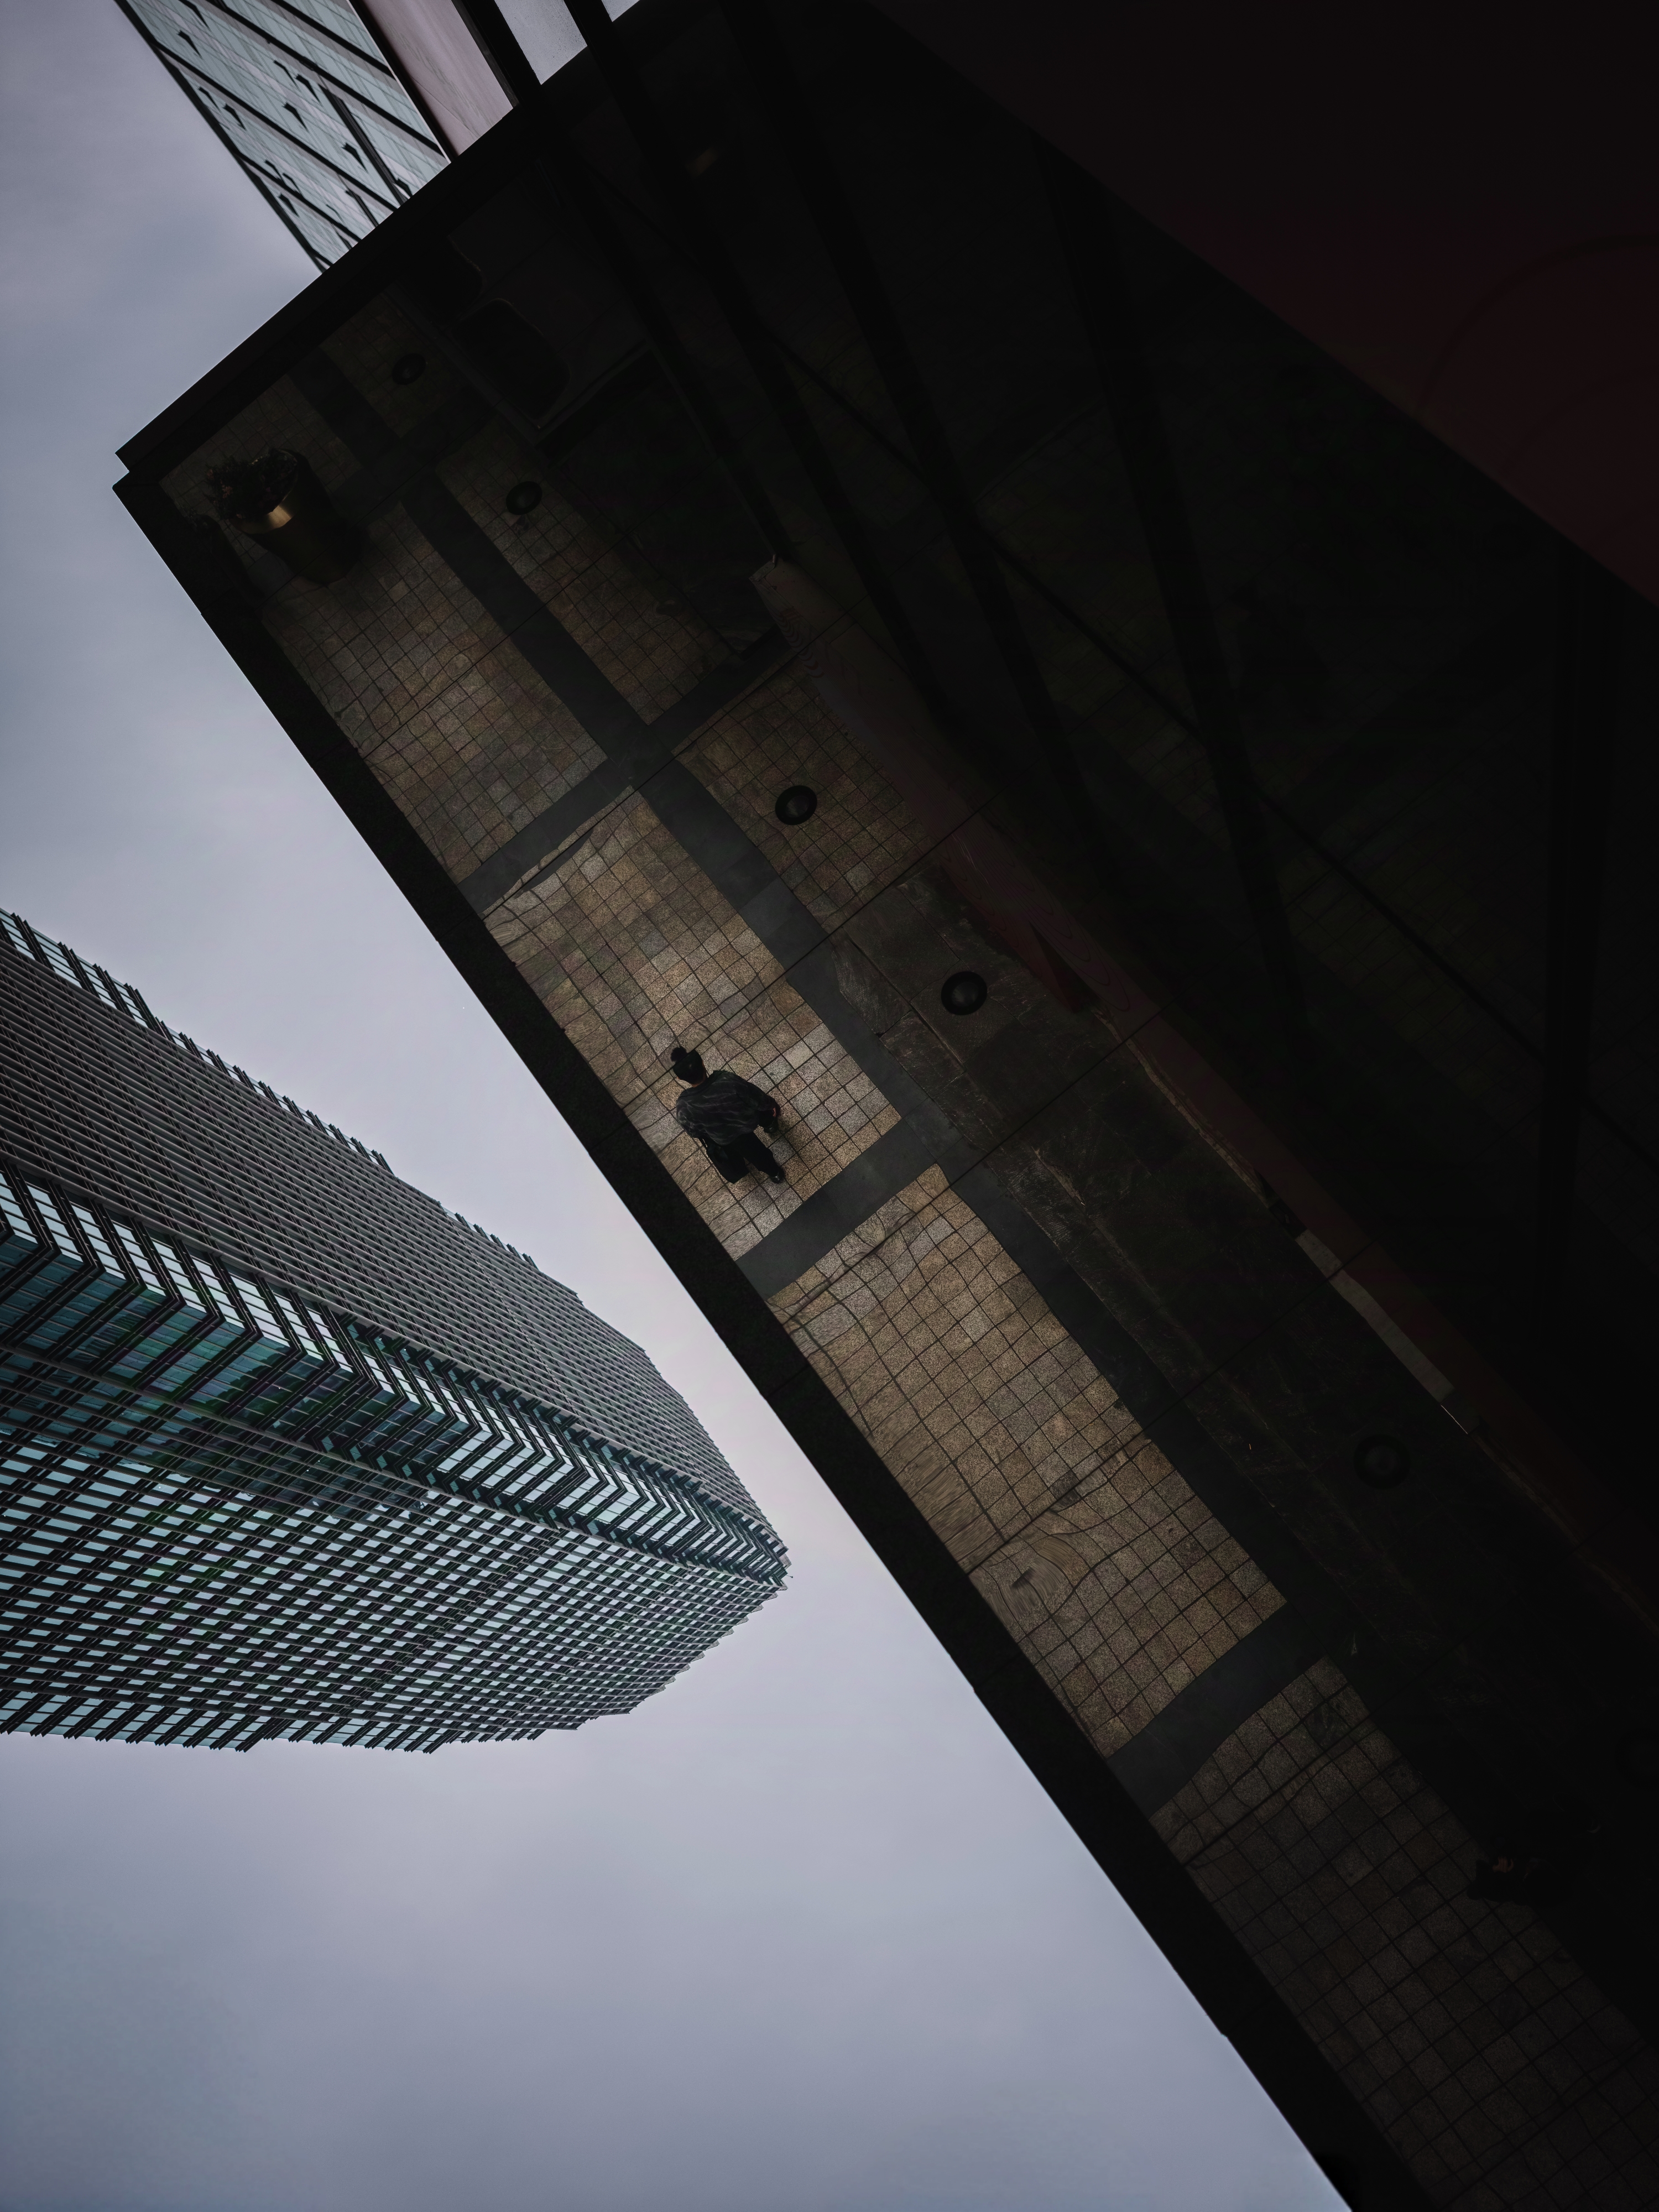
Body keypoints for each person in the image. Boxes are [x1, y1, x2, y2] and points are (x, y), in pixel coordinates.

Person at [669, 1046, 786, 1185]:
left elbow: (694, 1132)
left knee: (757, 1155)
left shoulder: (684, 1106)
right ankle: (770, 1125)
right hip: (748, 1118)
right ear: (702, 1063)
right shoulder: (726, 1080)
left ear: (680, 1078)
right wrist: (770, 1104)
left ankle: (775, 1173)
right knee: (761, 1111)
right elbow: (754, 1096)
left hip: (728, 1137)